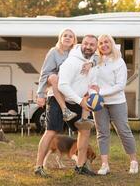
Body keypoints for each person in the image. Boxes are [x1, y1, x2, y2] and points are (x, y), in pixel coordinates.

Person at [34, 35, 98, 177]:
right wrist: (80, 101)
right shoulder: (72, 61)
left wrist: (93, 94)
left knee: (84, 130)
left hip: (76, 100)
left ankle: (80, 166)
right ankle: (38, 167)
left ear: (95, 47)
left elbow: (93, 83)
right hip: (59, 98)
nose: (88, 46)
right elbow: (62, 85)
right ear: (81, 44)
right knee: (51, 131)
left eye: (92, 45)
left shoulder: (93, 63)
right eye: (86, 43)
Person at [93, 34, 138, 175]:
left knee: (123, 131)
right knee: (102, 133)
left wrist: (101, 92)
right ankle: (105, 165)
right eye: (100, 43)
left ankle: (133, 161)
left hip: (117, 102)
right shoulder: (95, 61)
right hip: (99, 103)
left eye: (106, 42)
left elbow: (120, 86)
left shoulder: (119, 61)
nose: (103, 45)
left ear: (111, 44)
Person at [36, 28, 78, 122]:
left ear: (74, 40)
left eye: (70, 36)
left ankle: (85, 117)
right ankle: (65, 110)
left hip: (70, 83)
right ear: (60, 38)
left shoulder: (76, 52)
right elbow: (44, 72)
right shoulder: (54, 51)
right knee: (54, 77)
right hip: (54, 79)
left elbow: (94, 55)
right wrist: (41, 94)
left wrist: (91, 64)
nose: (67, 38)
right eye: (65, 35)